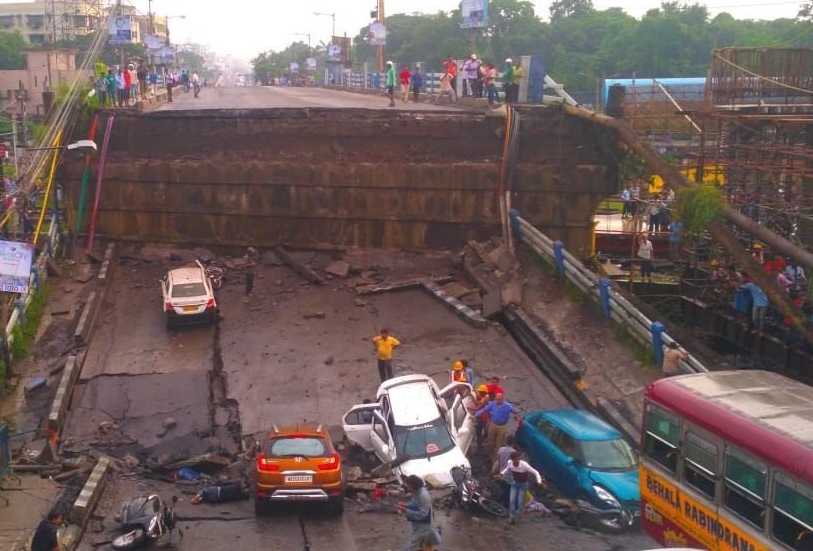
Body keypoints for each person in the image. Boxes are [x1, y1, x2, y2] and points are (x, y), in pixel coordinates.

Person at [397, 475, 441, 551]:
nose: (408, 488)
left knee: (411, 547)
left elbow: (423, 514)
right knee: (426, 544)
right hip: (419, 525)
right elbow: (415, 504)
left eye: (409, 486)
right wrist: (406, 505)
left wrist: (406, 510)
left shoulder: (423, 496)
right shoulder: (417, 492)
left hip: (424, 527)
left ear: (414, 486)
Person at [500, 451, 544, 524]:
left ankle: (519, 516)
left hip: (523, 485)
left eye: (518, 459)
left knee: (520, 501)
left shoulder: (524, 465)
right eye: (516, 459)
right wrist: (501, 473)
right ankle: (512, 517)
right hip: (515, 483)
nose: (517, 461)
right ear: (512, 459)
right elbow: (507, 469)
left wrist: (539, 481)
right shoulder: (510, 463)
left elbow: (535, 472)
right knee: (512, 500)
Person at [475, 392, 514, 459]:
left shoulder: (508, 406)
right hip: (493, 425)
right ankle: (489, 455)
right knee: (490, 441)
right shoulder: (492, 404)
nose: (498, 401)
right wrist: (475, 415)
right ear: (495, 398)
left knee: (499, 442)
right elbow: (484, 410)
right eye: (497, 399)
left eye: (499, 400)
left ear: (502, 399)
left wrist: (516, 410)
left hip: (502, 426)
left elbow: (514, 410)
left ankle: (496, 458)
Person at [492, 434, 518, 507]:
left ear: (506, 441)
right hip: (510, 476)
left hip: (501, 473)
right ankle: (507, 506)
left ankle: (500, 501)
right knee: (509, 491)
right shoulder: (514, 452)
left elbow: (498, 460)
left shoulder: (501, 449)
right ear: (513, 442)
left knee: (503, 488)